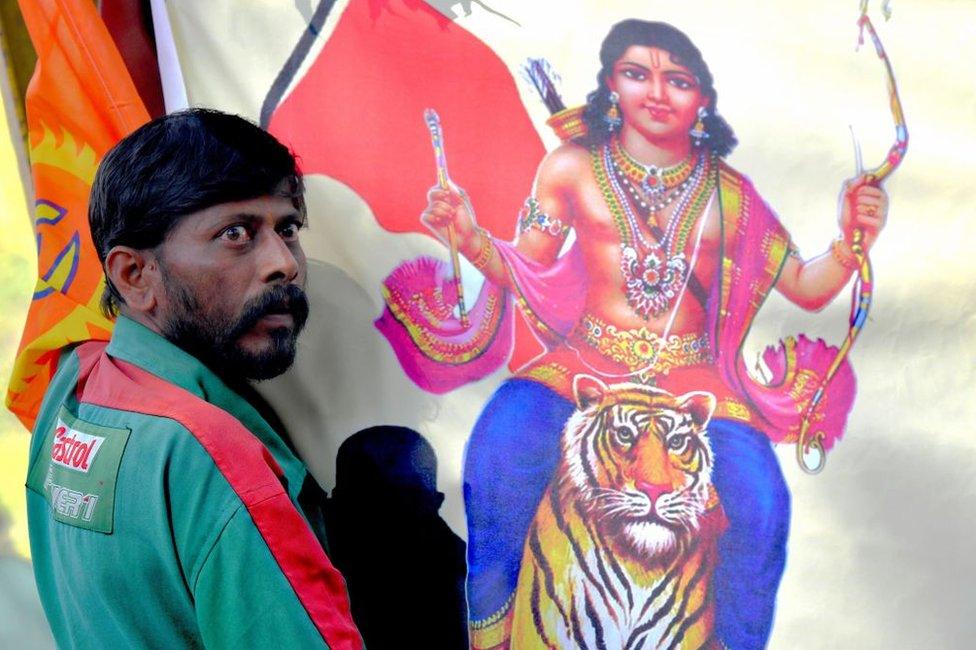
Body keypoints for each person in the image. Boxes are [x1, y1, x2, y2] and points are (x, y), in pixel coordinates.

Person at [379, 19, 887, 649]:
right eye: (636, 73)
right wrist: (467, 235)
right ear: (611, 86)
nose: (656, 92)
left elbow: (810, 288)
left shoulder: (733, 196)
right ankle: (489, 633)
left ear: (701, 100)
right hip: (585, 362)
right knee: (497, 454)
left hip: (694, 379)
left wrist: (851, 239)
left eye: (677, 80)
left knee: (762, 504)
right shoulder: (571, 167)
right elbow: (529, 265)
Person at [24, 109, 361, 649]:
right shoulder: (217, 459)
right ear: (135, 276)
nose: (284, 264)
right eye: (236, 233)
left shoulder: (75, 382)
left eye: (288, 228)